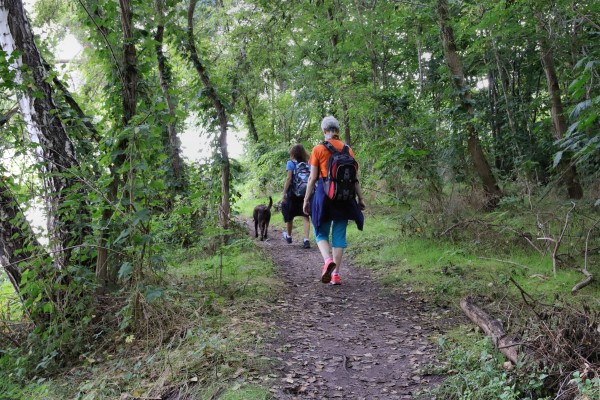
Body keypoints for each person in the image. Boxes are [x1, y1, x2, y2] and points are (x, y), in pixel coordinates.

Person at [303, 116, 366, 285]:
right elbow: (355, 179)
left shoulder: (318, 149)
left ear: (324, 131)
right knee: (339, 235)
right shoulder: (348, 149)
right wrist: (361, 198)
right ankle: (336, 274)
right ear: (337, 130)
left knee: (320, 232)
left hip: (324, 197)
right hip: (345, 198)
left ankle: (327, 261)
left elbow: (312, 178)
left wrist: (306, 199)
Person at [281, 143, 312, 248]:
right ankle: (306, 240)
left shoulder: (290, 163)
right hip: (306, 193)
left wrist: (284, 192)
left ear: (293, 153)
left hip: (293, 193)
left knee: (290, 215)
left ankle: (289, 236)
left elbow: (289, 178)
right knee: (306, 215)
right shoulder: (308, 163)